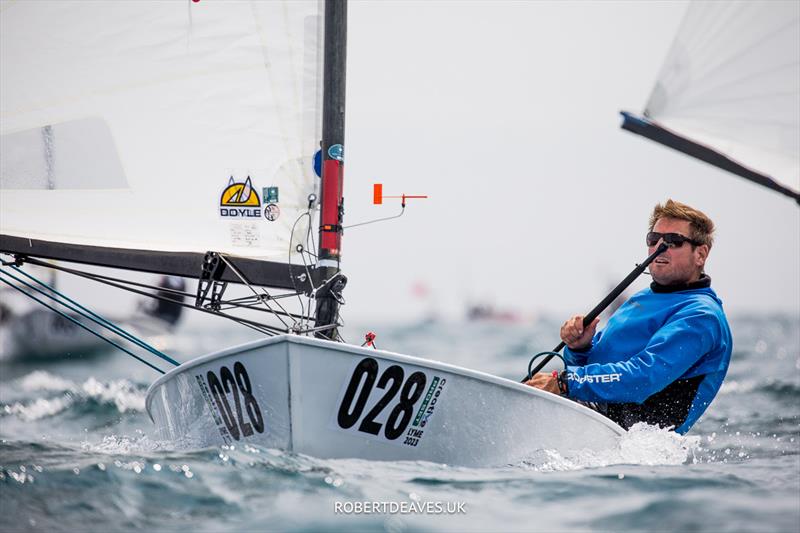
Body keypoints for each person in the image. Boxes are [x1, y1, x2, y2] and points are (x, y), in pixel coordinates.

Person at [526, 199, 732, 434]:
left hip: (634, 445)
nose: (659, 247)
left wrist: (565, 383)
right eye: (653, 240)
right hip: (595, 423)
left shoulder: (701, 316)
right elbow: (594, 372)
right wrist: (580, 349)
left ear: (701, 254)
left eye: (673, 241)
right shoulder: (641, 300)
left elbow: (644, 377)